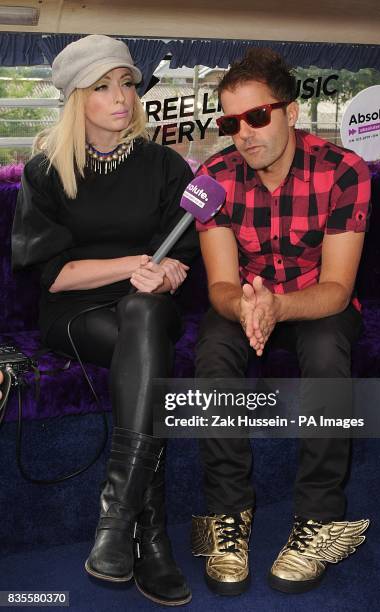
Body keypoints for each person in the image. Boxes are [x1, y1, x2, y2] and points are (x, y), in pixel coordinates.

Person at [11, 34, 199, 606]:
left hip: (148, 308)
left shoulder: (166, 165)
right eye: (103, 87)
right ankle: (150, 534)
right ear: (75, 99)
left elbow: (185, 257)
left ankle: (116, 522)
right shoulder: (45, 171)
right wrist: (132, 264)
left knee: (143, 314)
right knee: (141, 350)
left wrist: (165, 276)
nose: (122, 97)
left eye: (126, 83)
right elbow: (52, 275)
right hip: (77, 313)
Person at [191, 48, 370, 596]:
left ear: (290, 113)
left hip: (316, 303)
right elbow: (220, 284)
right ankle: (227, 518)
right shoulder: (212, 177)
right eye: (229, 122)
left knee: (324, 355)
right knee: (213, 355)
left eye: (257, 116)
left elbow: (338, 289)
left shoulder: (345, 171)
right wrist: (248, 307)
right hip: (243, 302)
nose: (242, 133)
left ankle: (318, 518)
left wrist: (278, 307)